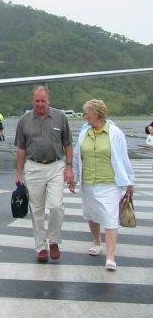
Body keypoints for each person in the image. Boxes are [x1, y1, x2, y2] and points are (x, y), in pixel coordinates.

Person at [70, 99, 135, 271]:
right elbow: (78, 156)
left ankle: (110, 256)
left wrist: (130, 180)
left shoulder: (115, 133)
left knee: (111, 217)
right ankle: (97, 241)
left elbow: (123, 158)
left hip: (109, 183)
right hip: (88, 181)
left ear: (97, 114)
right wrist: (74, 177)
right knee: (91, 214)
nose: (85, 116)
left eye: (87, 113)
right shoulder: (85, 133)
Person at [15, 86, 74, 262]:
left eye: (43, 101)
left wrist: (69, 167)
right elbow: (21, 149)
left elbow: (68, 144)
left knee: (56, 206)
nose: (40, 104)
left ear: (49, 101)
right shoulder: (24, 120)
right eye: (37, 101)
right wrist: (19, 172)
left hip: (56, 165)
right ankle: (41, 247)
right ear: (32, 101)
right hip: (33, 167)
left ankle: (54, 240)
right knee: (37, 210)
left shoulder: (60, 118)